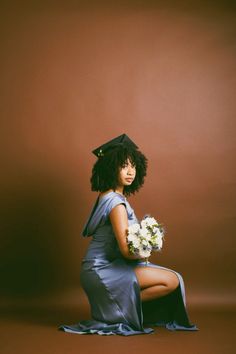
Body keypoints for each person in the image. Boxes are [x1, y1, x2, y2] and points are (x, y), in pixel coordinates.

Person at [59, 133, 197, 336]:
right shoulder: (116, 203)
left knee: (170, 279)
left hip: (97, 268)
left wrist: (143, 245)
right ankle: (118, 310)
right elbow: (125, 250)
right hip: (102, 270)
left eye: (133, 165)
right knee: (173, 281)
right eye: (124, 165)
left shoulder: (108, 195)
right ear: (110, 167)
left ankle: (118, 308)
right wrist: (146, 251)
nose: (130, 171)